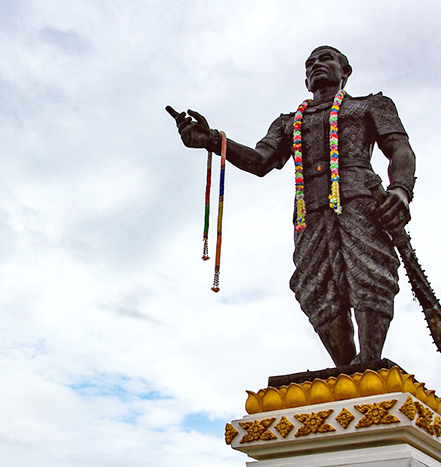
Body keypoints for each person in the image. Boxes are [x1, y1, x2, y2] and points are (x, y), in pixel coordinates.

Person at [169, 46, 416, 366]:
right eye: (309, 64)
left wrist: (401, 191)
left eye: (325, 59)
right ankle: (345, 368)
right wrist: (213, 140)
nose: (316, 66)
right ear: (305, 80)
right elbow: (260, 161)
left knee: (369, 274)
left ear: (346, 70)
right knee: (314, 287)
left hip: (360, 201)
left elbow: (400, 149)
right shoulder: (289, 123)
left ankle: (370, 358)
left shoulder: (369, 105)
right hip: (309, 212)